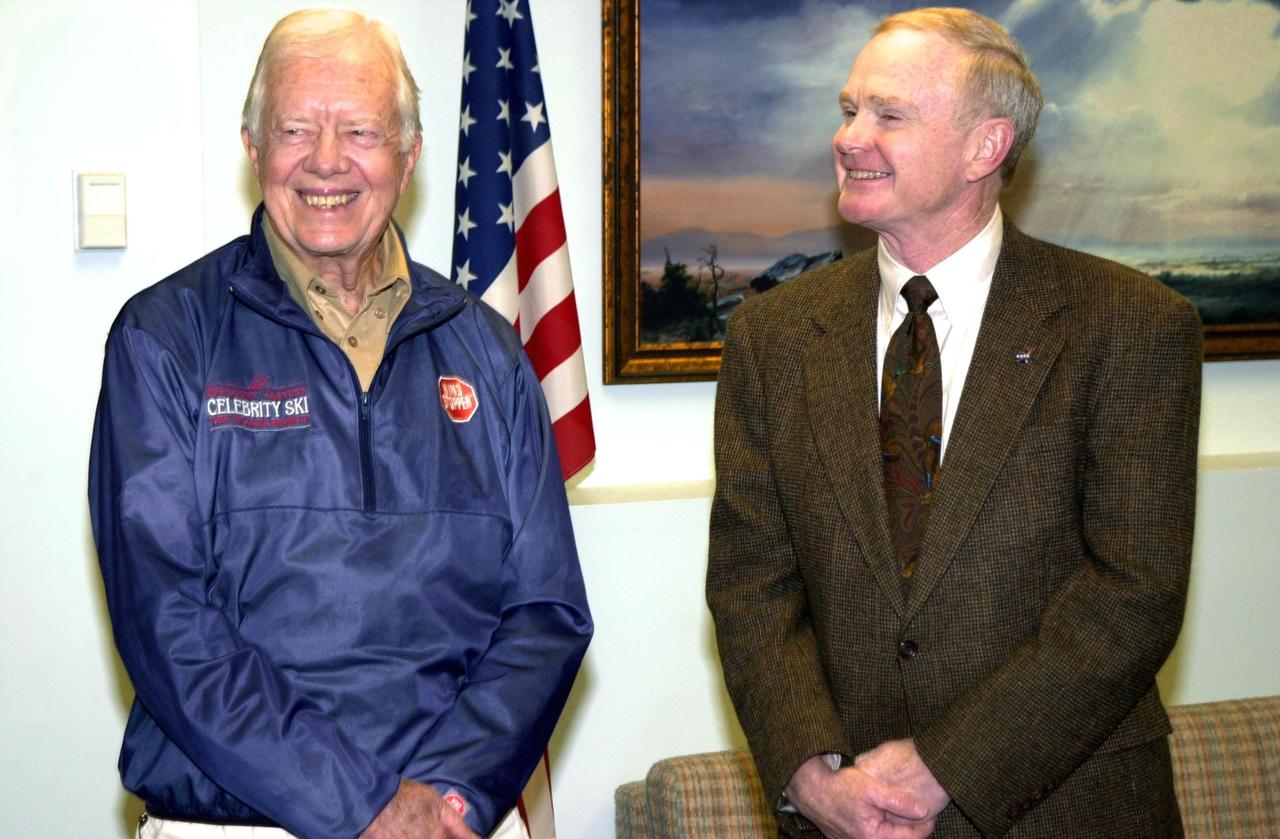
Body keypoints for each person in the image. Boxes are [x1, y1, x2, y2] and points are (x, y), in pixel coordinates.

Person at [89, 9, 592, 839]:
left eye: (359, 129)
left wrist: (447, 796)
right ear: (253, 149)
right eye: (295, 128)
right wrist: (363, 803)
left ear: (411, 153)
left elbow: (546, 610)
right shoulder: (163, 340)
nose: (326, 160)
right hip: (239, 821)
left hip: (452, 818)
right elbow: (168, 623)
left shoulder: (491, 351)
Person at [706, 7, 1200, 839]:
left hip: (1069, 810)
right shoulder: (774, 335)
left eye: (888, 115)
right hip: (844, 816)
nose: (851, 138)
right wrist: (811, 773)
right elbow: (751, 581)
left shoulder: (1128, 323)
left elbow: (1133, 591)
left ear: (986, 147)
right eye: (848, 109)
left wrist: (949, 764)